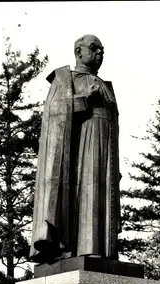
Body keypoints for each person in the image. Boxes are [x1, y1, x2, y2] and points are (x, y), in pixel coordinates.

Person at [30, 34, 121, 264]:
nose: (99, 54)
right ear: (79, 52)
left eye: (102, 50)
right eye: (94, 48)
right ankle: (83, 249)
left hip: (106, 153)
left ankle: (102, 252)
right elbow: (54, 116)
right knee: (86, 194)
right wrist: (85, 100)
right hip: (81, 150)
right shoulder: (64, 79)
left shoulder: (105, 85)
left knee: (101, 196)